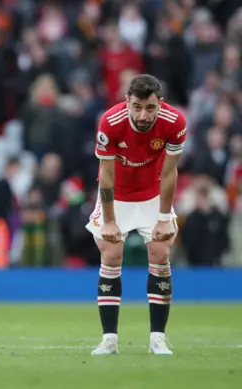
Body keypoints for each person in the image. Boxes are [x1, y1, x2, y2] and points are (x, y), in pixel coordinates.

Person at [86, 74, 187, 355]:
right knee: (111, 254)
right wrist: (108, 220)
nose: (143, 115)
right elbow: (105, 174)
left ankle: (158, 338)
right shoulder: (110, 122)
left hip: (153, 193)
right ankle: (109, 340)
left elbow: (169, 172)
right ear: (127, 103)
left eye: (150, 108)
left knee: (160, 253)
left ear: (160, 104)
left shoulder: (176, 122)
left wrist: (164, 216)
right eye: (137, 107)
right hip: (116, 194)